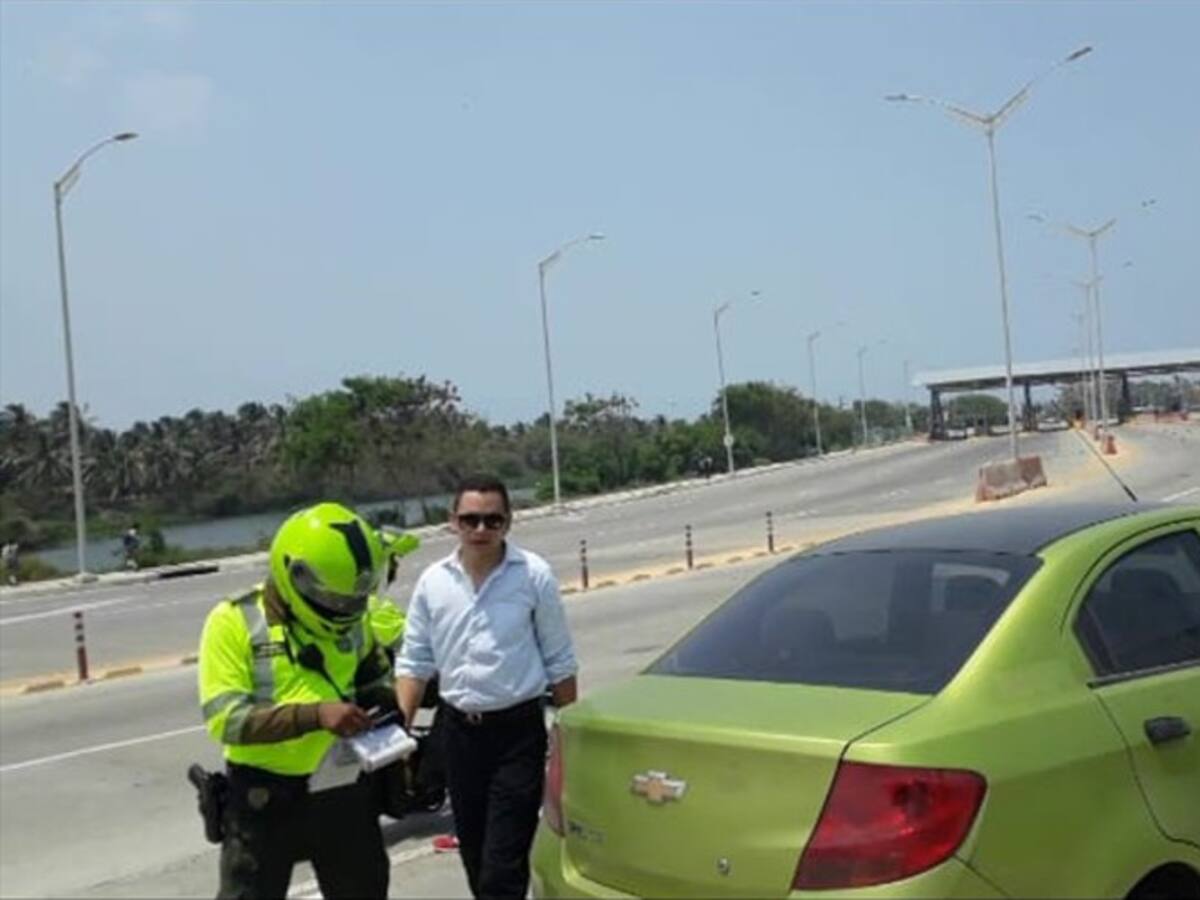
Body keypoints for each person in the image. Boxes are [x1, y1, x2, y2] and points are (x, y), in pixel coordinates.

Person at [197, 502, 393, 899]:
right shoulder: (234, 621)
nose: (344, 610)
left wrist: (386, 718)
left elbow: (374, 679)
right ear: (294, 575)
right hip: (264, 800)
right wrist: (315, 716)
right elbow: (227, 720)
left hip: (342, 788)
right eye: (333, 600)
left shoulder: (354, 621)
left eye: (352, 601)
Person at [395, 473, 578, 899]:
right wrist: (398, 734)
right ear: (452, 522)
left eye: (492, 521)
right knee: (475, 858)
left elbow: (560, 661)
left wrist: (569, 738)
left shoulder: (533, 576)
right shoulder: (433, 582)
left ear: (508, 523)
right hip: (457, 735)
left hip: (518, 736)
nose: (481, 530)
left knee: (502, 866)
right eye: (471, 520)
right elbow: (415, 661)